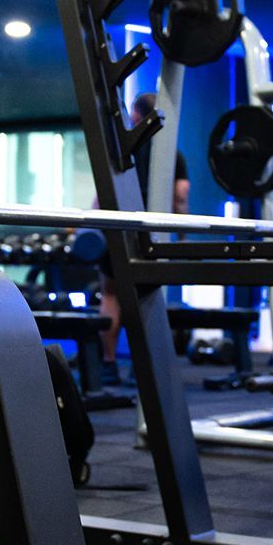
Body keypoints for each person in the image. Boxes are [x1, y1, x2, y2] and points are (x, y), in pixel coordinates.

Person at [99, 92, 188, 374]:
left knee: (111, 295)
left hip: (116, 227)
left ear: (136, 116)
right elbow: (180, 198)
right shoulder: (172, 154)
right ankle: (149, 371)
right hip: (148, 233)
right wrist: (183, 232)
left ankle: (109, 362)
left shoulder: (120, 151)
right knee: (146, 295)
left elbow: (101, 194)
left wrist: (83, 226)